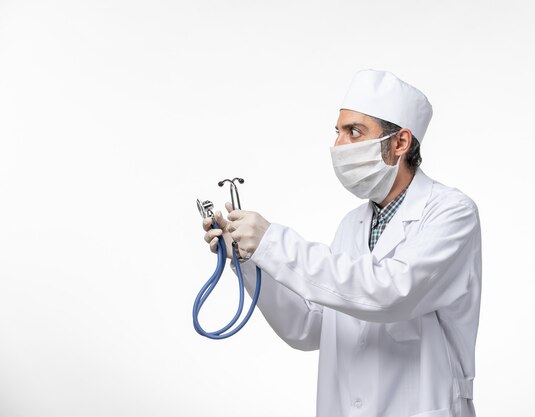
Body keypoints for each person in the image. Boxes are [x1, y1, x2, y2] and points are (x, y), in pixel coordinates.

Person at [203, 69, 482, 417]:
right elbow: (308, 327)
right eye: (338, 132)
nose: (339, 146)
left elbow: (390, 293)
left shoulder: (451, 213)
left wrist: (273, 241)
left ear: (400, 143)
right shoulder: (352, 225)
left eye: (355, 132)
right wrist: (248, 260)